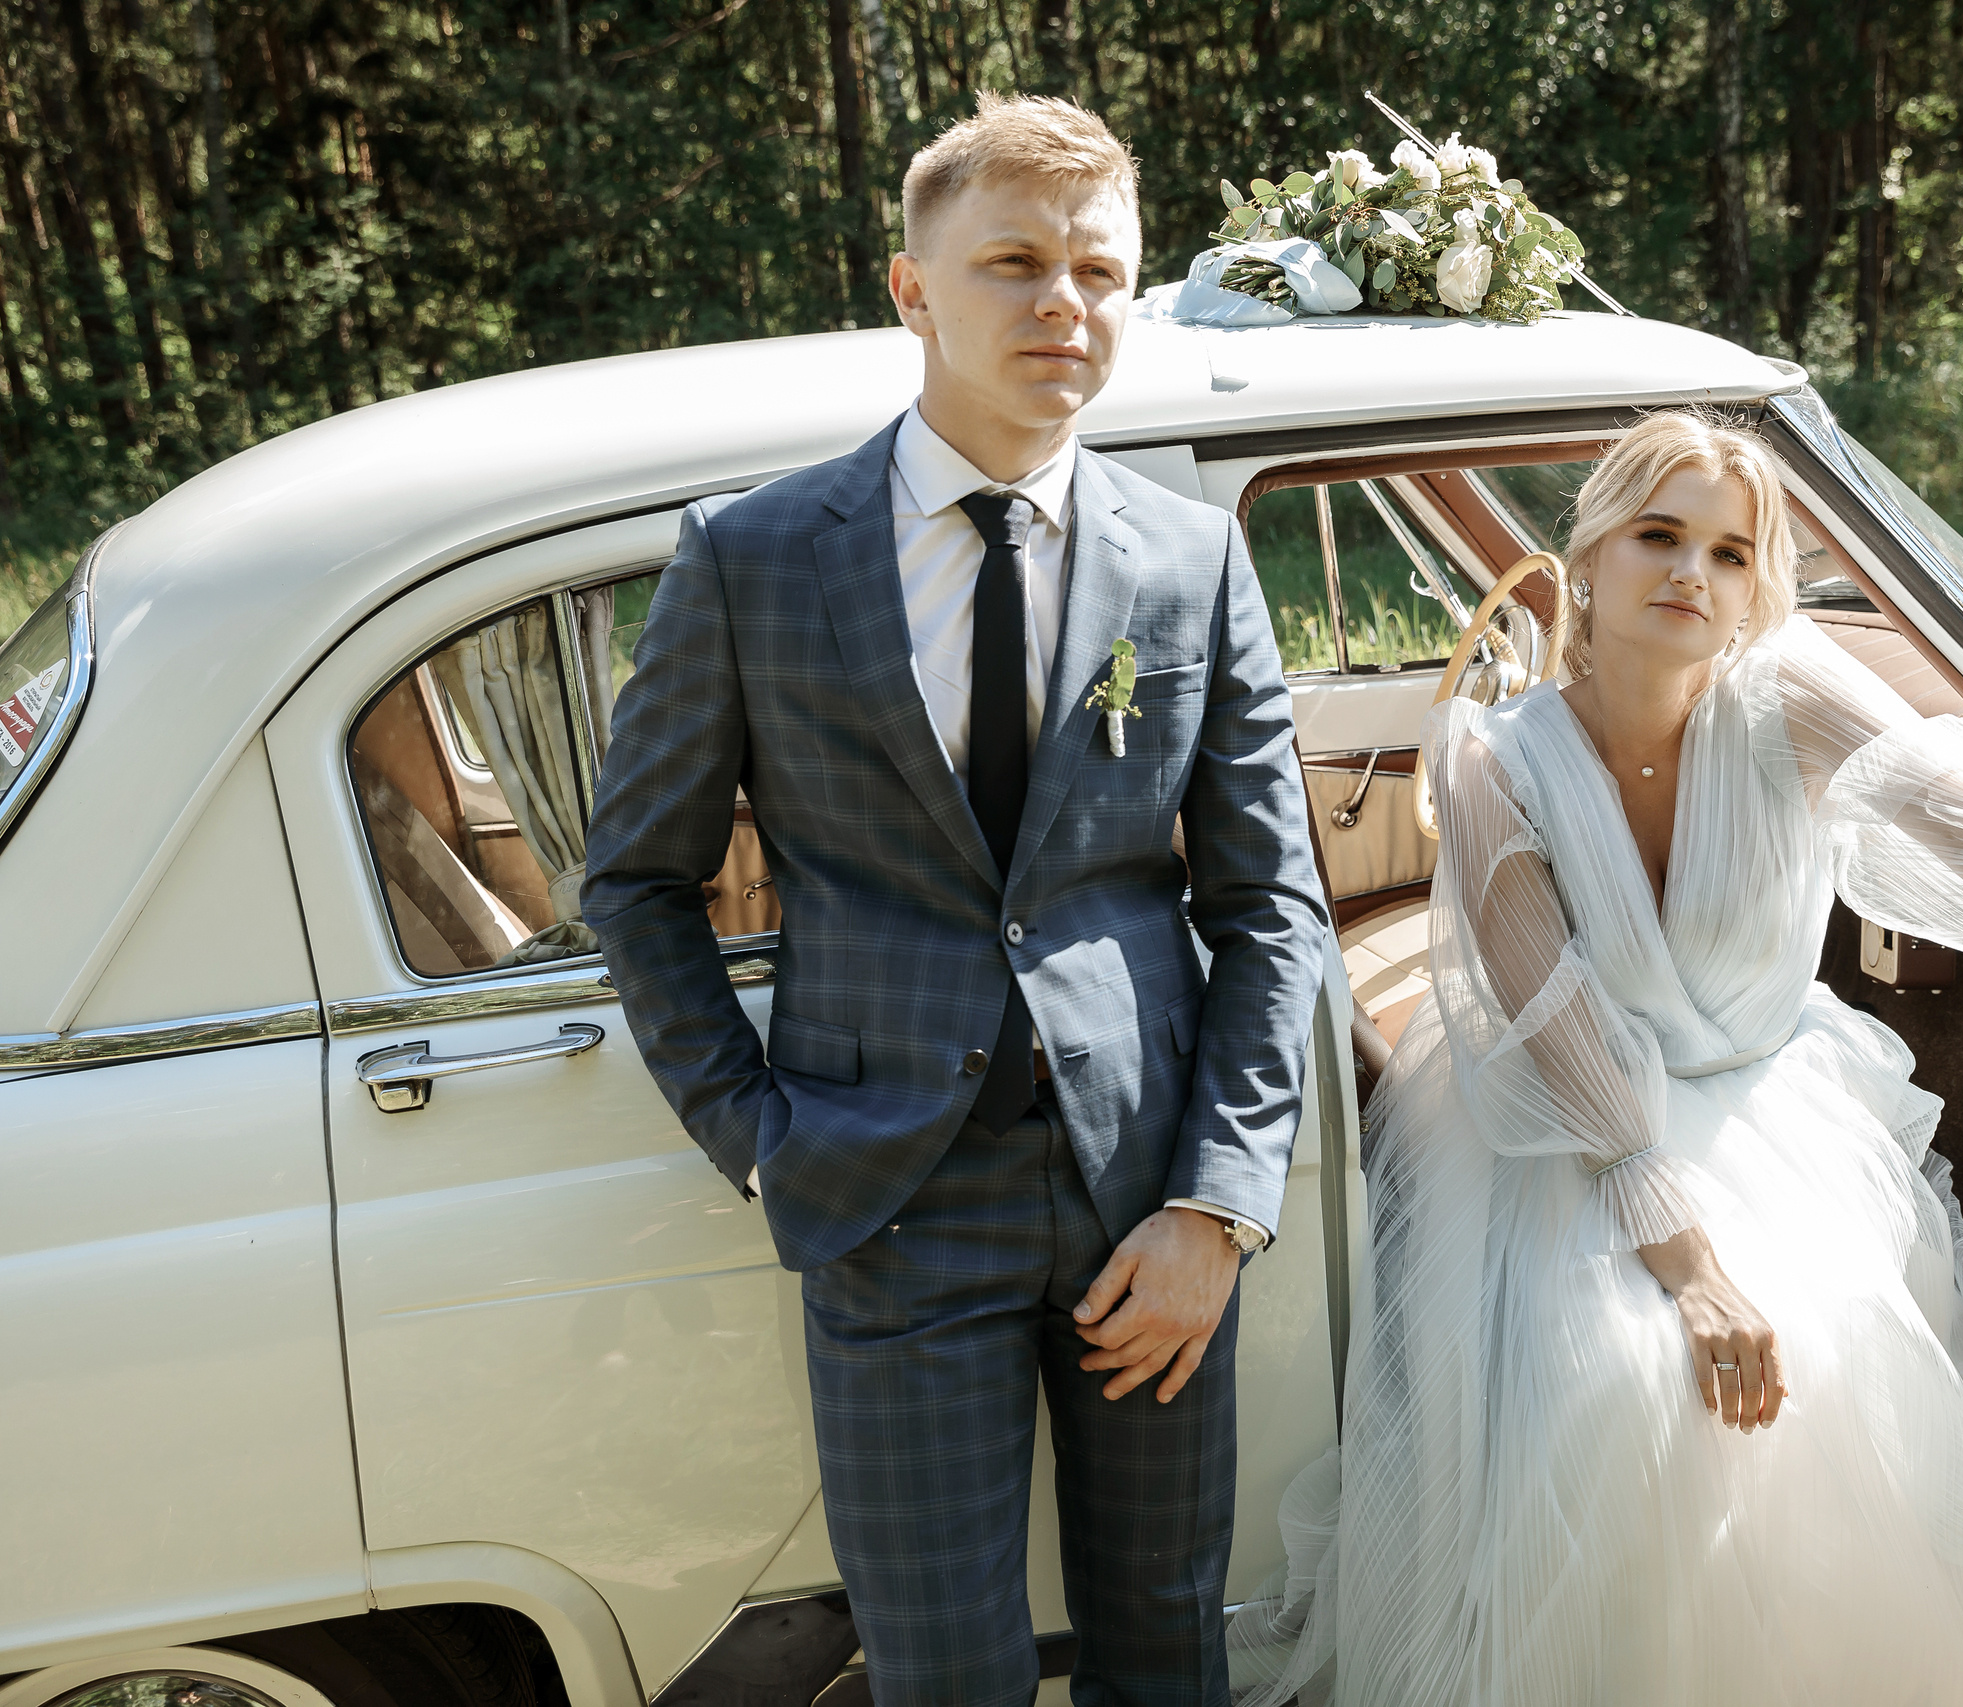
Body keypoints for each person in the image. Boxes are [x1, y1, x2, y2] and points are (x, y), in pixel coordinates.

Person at [1227, 413, 1963, 1706]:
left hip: (1778, 1111)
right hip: (1573, 1137)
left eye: (1728, 550)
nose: (1690, 576)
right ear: (1582, 557)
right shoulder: (1493, 757)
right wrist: (1692, 1268)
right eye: (1658, 536)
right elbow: (1551, 1024)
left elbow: (1957, 795)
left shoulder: (1785, 695)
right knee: (1627, 1390)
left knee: (1816, 1385)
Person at [583, 93, 1331, 1707]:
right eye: (1013, 262)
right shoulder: (756, 560)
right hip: (887, 1202)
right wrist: (762, 1137)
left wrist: (1218, 1205)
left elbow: (1275, 908)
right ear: (914, 287)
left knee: (1166, 1650)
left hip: (1147, 1207)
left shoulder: (1189, 564)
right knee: (941, 1673)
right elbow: (636, 884)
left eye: (1099, 271)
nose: (1063, 302)